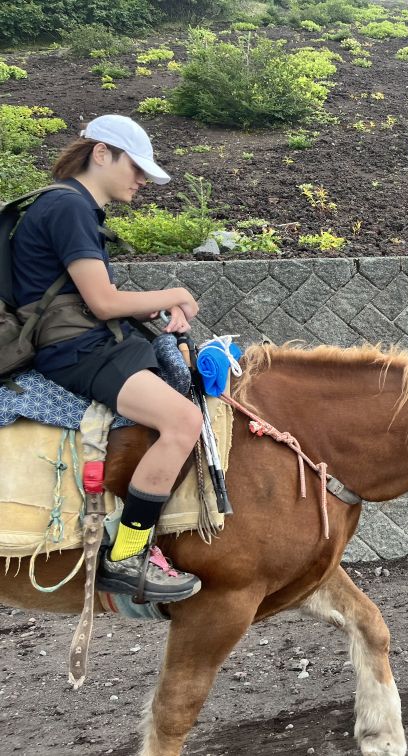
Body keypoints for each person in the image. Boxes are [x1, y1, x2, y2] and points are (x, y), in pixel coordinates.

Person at [11, 114, 203, 602]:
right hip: (75, 350)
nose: (141, 179)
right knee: (182, 422)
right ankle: (129, 554)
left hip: (86, 341)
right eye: (136, 167)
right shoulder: (69, 208)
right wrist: (173, 292)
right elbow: (103, 303)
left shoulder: (65, 206)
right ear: (101, 154)